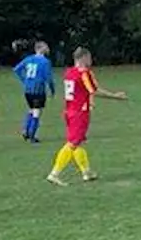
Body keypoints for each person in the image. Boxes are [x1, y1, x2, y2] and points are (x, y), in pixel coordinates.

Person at [46, 47, 128, 186]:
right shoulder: (84, 73)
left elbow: (81, 90)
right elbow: (94, 90)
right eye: (89, 58)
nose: (91, 60)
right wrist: (115, 96)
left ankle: (86, 172)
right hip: (79, 113)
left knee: (78, 142)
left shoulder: (69, 72)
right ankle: (54, 173)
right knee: (72, 143)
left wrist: (89, 100)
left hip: (69, 111)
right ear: (83, 58)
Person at [13, 41, 55, 142]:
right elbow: (48, 78)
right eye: (46, 47)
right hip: (38, 90)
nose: (48, 49)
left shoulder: (29, 59)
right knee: (37, 111)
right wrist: (52, 89)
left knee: (31, 109)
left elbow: (17, 69)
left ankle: (26, 130)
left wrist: (24, 80)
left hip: (28, 90)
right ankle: (31, 135)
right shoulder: (45, 62)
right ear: (41, 48)